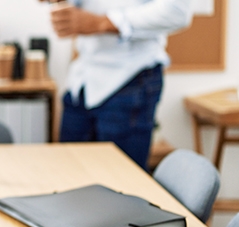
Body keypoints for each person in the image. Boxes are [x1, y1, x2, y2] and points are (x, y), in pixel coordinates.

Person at [47, 0, 191, 169]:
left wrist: (102, 22)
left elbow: (176, 11)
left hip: (130, 79)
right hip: (82, 81)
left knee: (122, 184)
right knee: (69, 176)